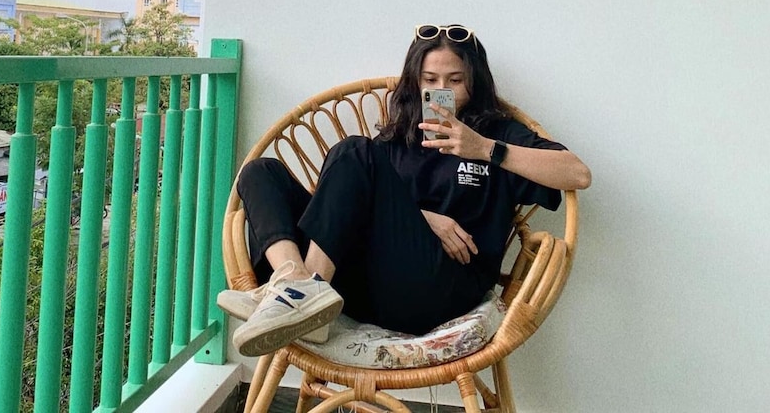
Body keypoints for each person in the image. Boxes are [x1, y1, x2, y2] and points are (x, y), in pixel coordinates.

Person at [220, 24, 591, 357]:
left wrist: (483, 148)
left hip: (441, 290)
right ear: (415, 81)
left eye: (455, 80)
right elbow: (358, 210)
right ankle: (296, 285)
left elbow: (577, 174)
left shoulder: (498, 132)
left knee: (354, 151)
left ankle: (302, 296)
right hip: (366, 287)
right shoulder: (400, 137)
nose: (441, 90)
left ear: (474, 81)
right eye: (430, 79)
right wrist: (425, 218)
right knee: (259, 172)